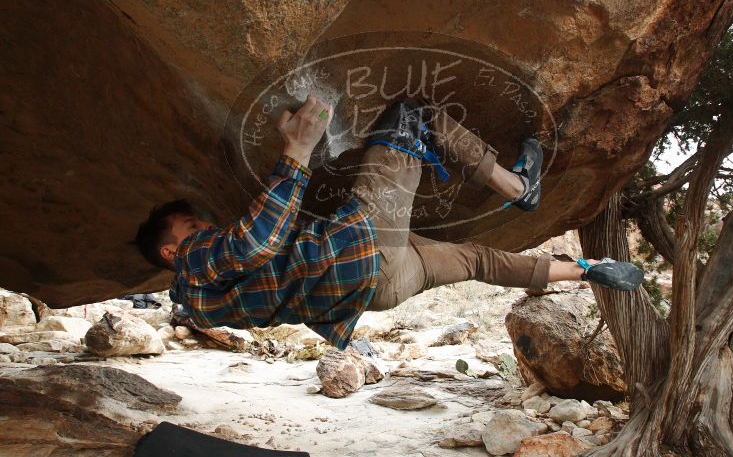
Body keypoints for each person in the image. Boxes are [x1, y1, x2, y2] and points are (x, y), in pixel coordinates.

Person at [134, 95, 643, 351]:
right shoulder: (196, 269)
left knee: (479, 259)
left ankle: (588, 269)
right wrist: (298, 150)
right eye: (192, 230)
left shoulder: (207, 305)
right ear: (171, 253)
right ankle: (517, 187)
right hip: (363, 249)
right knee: (409, 113)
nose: (205, 231)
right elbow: (253, 245)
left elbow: (263, 258)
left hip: (380, 288)